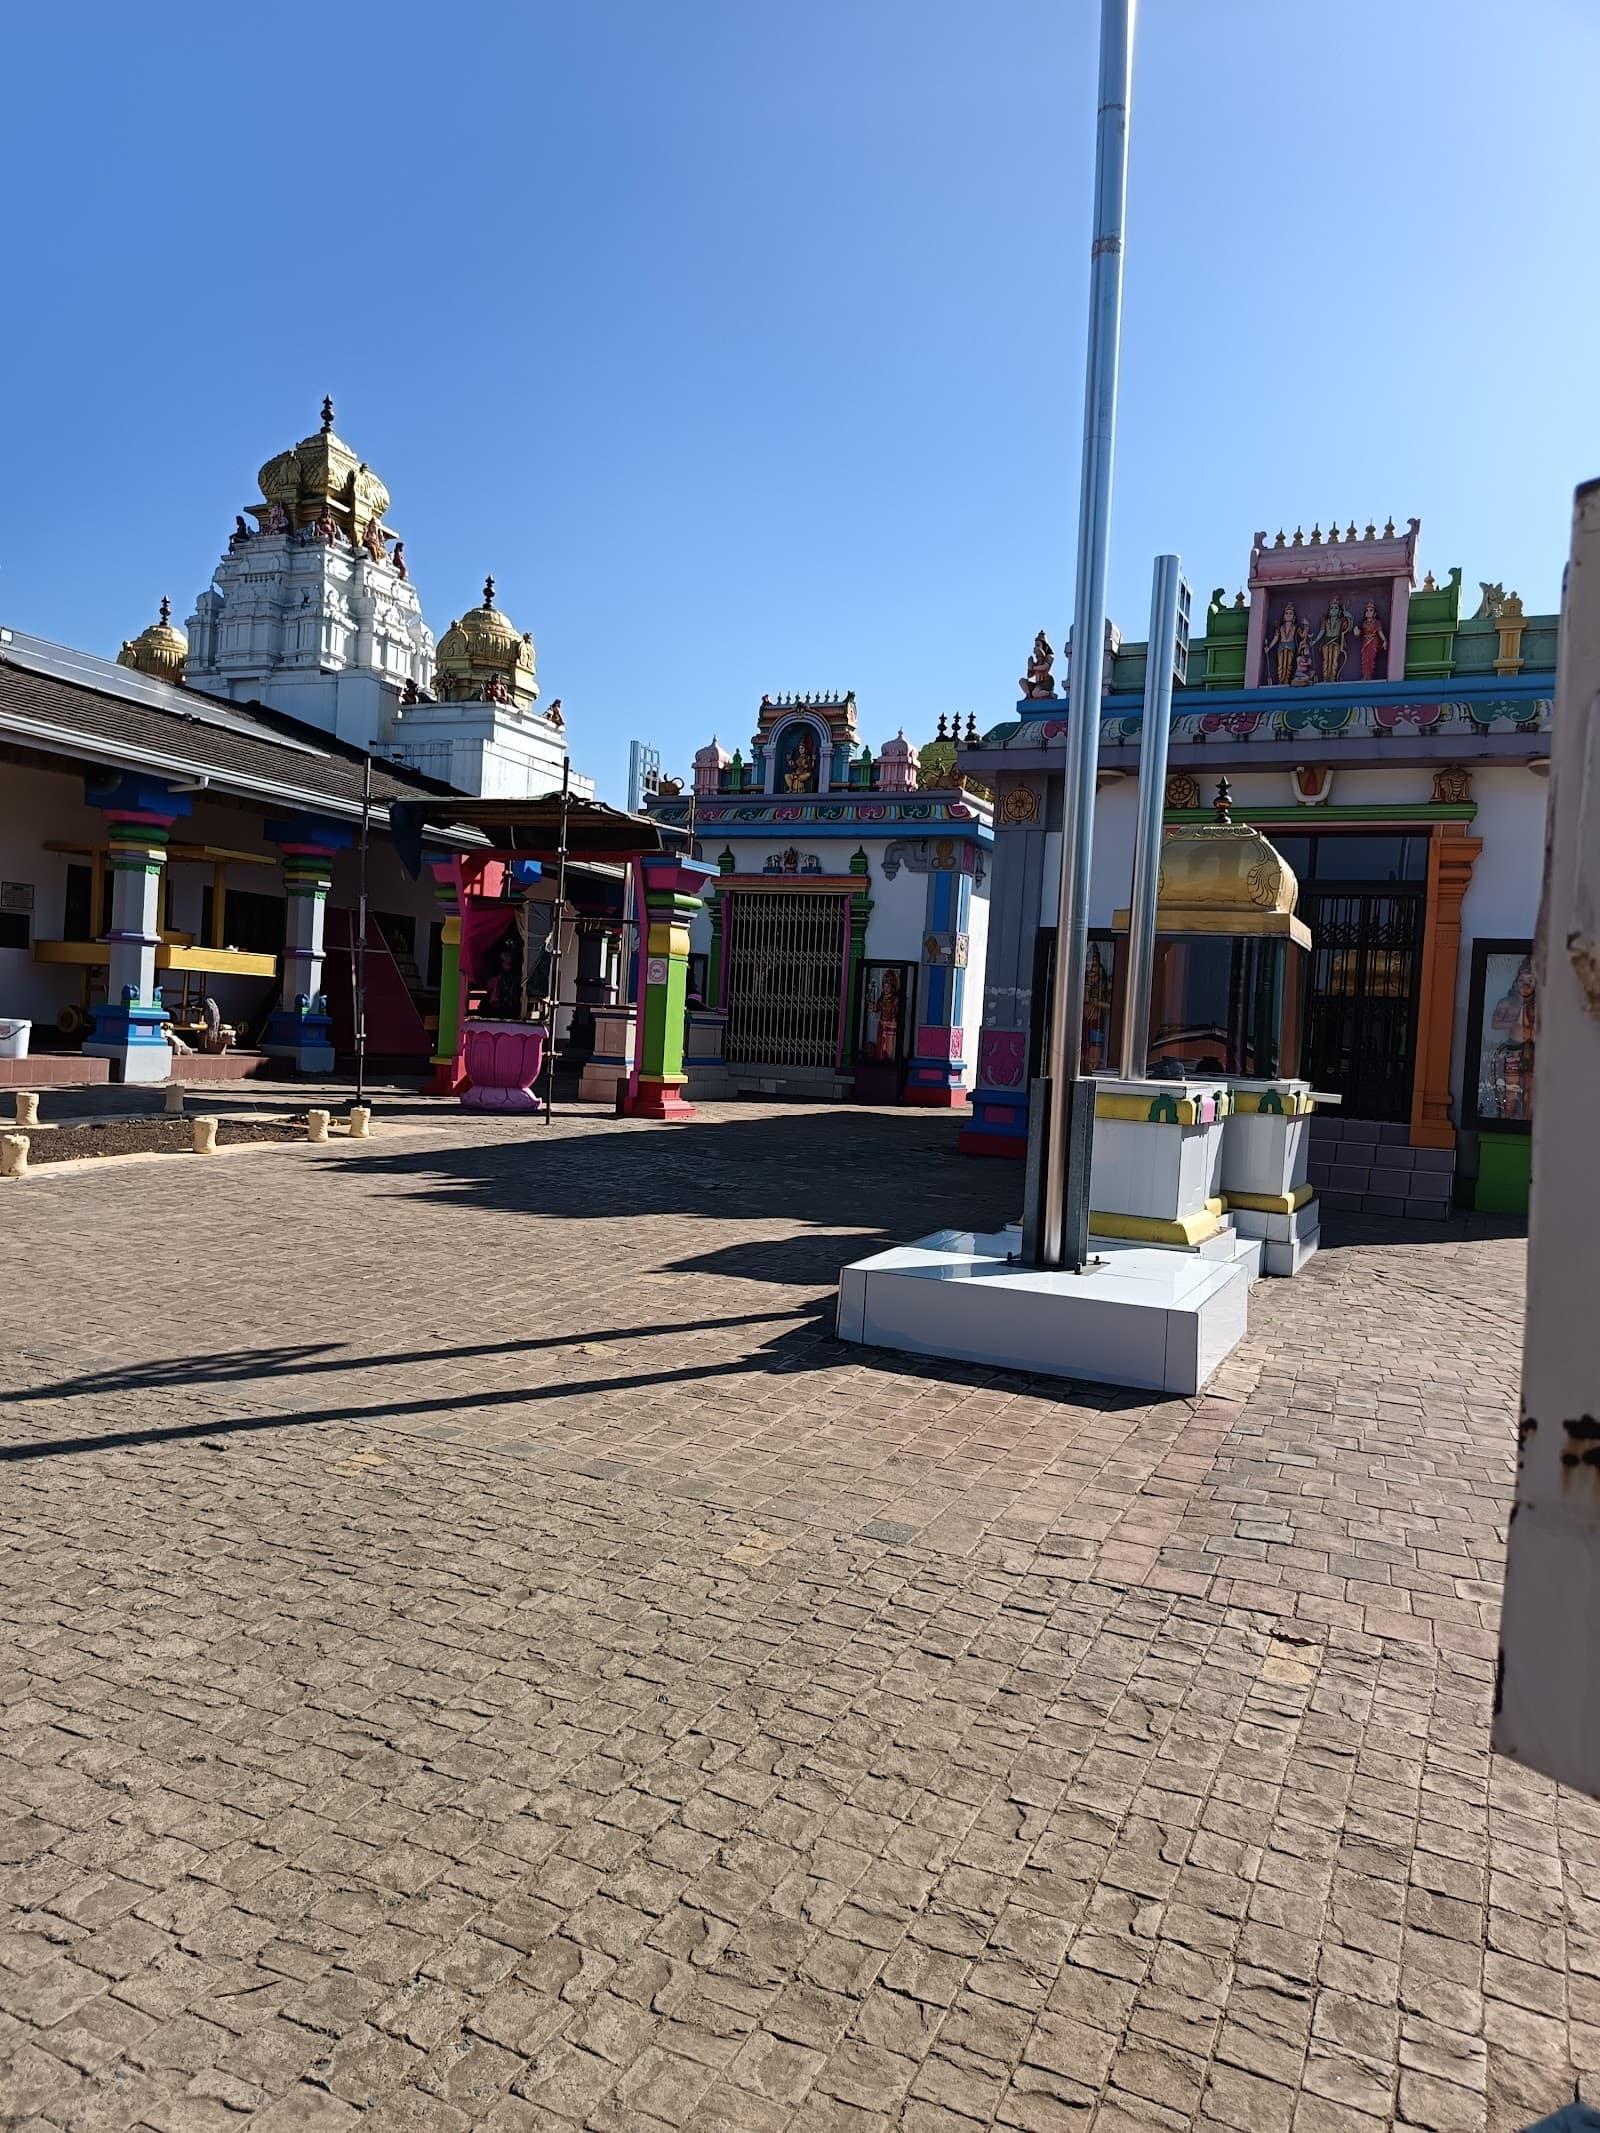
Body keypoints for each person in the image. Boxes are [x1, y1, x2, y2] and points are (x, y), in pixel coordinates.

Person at [1485, 956, 1536, 1119]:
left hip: (1533, 1049)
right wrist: (1516, 1022)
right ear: (1516, 982)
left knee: (1530, 1093)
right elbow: (1495, 1023)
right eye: (1522, 980)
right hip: (1514, 1048)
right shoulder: (1506, 1003)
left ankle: (1526, 1125)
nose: (1526, 985)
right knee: (1511, 1092)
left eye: (1531, 981)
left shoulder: (1540, 1004)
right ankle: (1508, 1122)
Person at [1315, 597, 1355, 683]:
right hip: (1326, 641)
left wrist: (1350, 618)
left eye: (1336, 608)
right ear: (1329, 610)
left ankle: (1332, 678)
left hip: (1336, 641)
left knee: (1334, 660)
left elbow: (1348, 629)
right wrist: (1315, 641)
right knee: (1326, 660)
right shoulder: (1325, 621)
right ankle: (1326, 678)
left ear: (1339, 611)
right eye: (1331, 608)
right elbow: (1322, 631)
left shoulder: (1341, 621)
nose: (1333, 610)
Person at [1264, 603, 1299, 686]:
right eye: (1286, 613)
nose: (1288, 615)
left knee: (1288, 664)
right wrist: (1269, 647)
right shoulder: (1280, 627)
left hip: (1291, 645)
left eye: (1290, 613)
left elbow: (1301, 635)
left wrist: (1306, 627)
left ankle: (1286, 680)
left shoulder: (1295, 627)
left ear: (1294, 616)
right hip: (1281, 645)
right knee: (1281, 665)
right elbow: (1276, 638)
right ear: (1283, 616)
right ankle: (1281, 680)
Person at [1358, 597, 1388, 680]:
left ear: (1374, 613)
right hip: (1365, 641)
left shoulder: (1376, 622)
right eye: (1367, 610)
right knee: (1365, 659)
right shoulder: (1364, 623)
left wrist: (1384, 640)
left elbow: (1380, 632)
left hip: (1373, 641)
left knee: (1371, 659)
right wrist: (1356, 632)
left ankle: (1369, 675)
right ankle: (1365, 675)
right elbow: (1359, 633)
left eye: (1371, 610)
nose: (1368, 612)